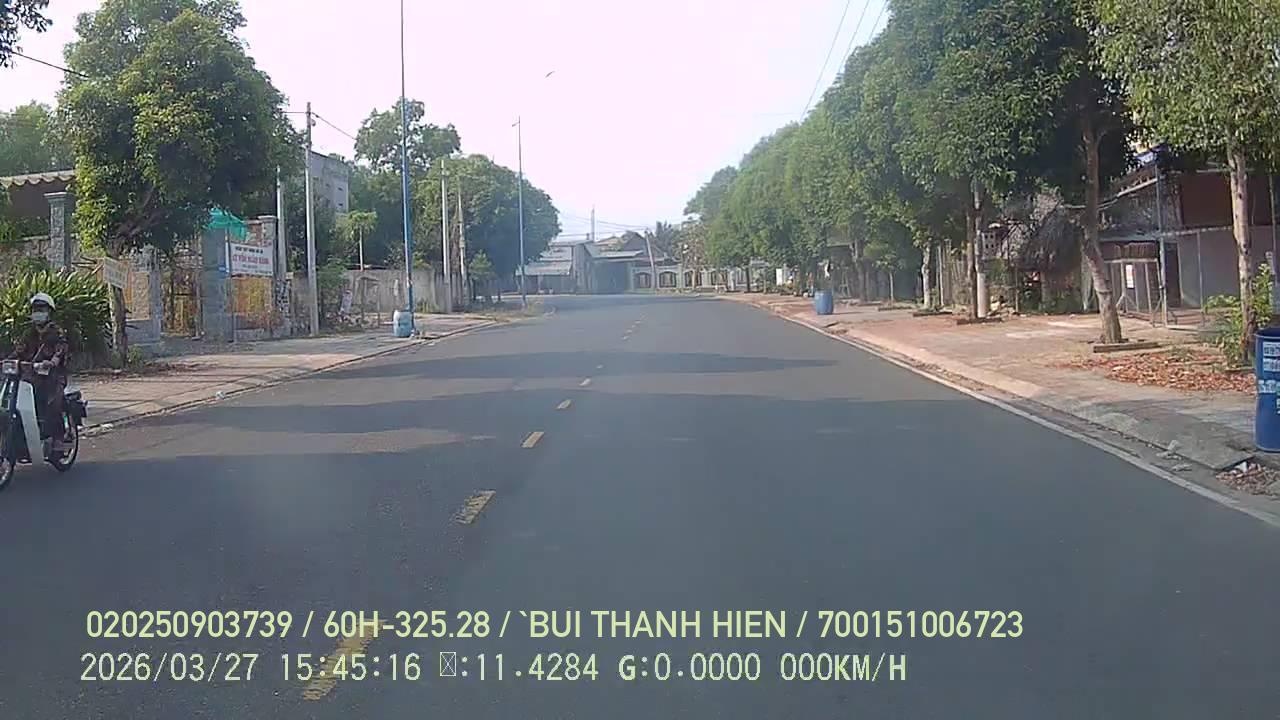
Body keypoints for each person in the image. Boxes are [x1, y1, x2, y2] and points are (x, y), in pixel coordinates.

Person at [6, 293, 70, 450]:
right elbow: (18, 351)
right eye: (35, 309)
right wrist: (8, 360)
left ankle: (58, 439)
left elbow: (61, 350)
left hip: (53, 376)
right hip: (30, 376)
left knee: (53, 403)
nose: (37, 313)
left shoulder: (56, 331)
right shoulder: (29, 333)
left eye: (41, 309)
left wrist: (53, 362)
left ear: (49, 312)